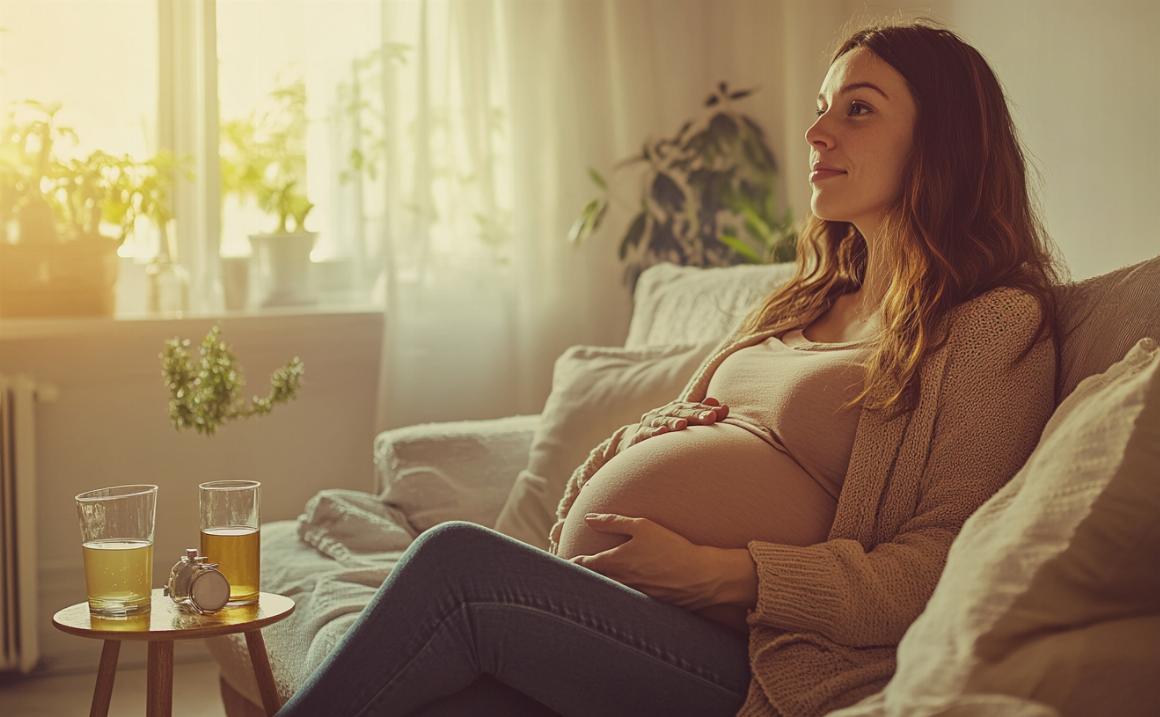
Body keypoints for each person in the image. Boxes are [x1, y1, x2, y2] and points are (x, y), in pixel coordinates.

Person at [276, 18, 1063, 717]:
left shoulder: (992, 325)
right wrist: (629, 455)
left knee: (453, 561)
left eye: (857, 108)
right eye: (822, 106)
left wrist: (722, 573)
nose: (818, 132)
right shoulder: (804, 298)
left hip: (759, 664)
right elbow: (666, 446)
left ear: (942, 142)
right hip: (632, 614)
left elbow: (944, 562)